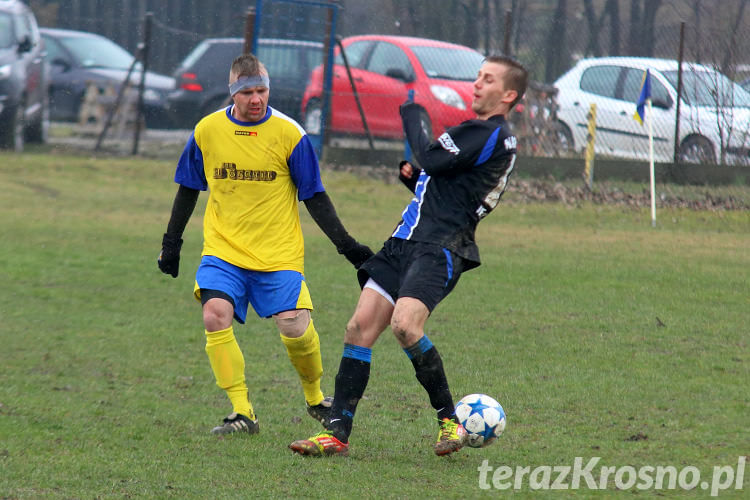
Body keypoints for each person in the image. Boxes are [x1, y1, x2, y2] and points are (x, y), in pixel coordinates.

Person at [289, 55, 528, 457]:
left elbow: (432, 157)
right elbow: (448, 182)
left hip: (440, 248)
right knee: (358, 329)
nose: (476, 84)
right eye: (478, 76)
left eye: (487, 79)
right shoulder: (483, 136)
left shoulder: (489, 132)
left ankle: (449, 421)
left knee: (405, 326)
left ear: (509, 95)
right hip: (405, 241)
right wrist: (416, 181)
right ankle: (336, 434)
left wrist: (412, 116)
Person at [158, 53, 372, 436]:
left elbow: (314, 196)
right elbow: (189, 188)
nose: (256, 99)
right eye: (247, 92)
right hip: (223, 251)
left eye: (262, 90)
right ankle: (242, 412)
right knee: (214, 315)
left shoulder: (290, 134)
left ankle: (315, 397)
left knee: (294, 327)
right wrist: (171, 243)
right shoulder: (206, 131)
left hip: (278, 253)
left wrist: (349, 246)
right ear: (233, 93)